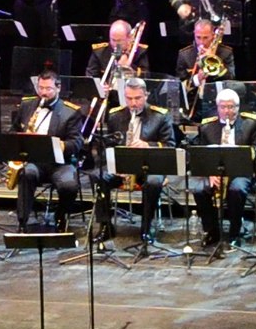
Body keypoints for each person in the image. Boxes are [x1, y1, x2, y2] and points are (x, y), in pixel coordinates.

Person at [96, 77, 175, 253]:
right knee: (99, 176)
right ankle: (106, 225)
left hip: (150, 167)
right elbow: (107, 147)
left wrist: (148, 145)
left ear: (146, 95)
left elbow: (170, 146)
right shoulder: (116, 115)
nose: (133, 103)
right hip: (123, 168)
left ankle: (146, 227)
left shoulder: (160, 116)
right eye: (129, 98)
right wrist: (116, 165)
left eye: (137, 98)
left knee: (154, 182)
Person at [191, 88, 256, 247]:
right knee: (199, 189)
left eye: (231, 107)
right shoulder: (206, 127)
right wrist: (210, 172)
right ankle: (211, 231)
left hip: (241, 172)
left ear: (238, 108)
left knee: (236, 189)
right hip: (214, 172)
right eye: (223, 107)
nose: (227, 111)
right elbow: (201, 154)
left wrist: (243, 158)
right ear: (217, 108)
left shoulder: (251, 123)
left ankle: (235, 232)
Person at [12, 69, 85, 231]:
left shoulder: (71, 112)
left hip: (60, 163)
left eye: (48, 89)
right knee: (26, 174)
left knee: (69, 185)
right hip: (34, 162)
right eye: (41, 88)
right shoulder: (27, 105)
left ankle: (61, 216)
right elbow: (14, 129)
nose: (43, 93)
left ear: (58, 88)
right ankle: (22, 221)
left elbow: (77, 142)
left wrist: (62, 145)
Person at [176, 18, 236, 122]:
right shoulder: (184, 54)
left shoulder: (226, 53)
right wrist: (196, 79)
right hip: (194, 104)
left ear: (213, 35)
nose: (202, 42)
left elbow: (231, 79)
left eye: (206, 38)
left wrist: (215, 62)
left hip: (216, 103)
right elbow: (178, 85)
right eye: (198, 37)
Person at [85, 19, 151, 81]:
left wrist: (129, 67)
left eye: (119, 41)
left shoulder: (140, 51)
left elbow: (146, 77)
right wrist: (100, 87)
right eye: (113, 40)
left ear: (130, 38)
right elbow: (90, 76)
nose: (115, 44)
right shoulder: (99, 52)